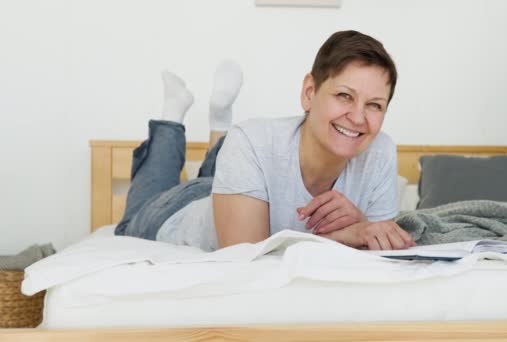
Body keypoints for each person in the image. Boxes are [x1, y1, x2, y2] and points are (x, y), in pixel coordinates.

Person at [115, 30, 415, 251]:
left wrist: (362, 224)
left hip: (239, 189)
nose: (359, 117)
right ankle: (173, 113)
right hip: (180, 209)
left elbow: (378, 251)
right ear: (309, 93)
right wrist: (340, 236)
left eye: (375, 105)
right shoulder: (252, 140)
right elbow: (246, 264)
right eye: (344, 96)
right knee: (127, 225)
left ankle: (219, 122)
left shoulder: (380, 151)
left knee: (233, 152)